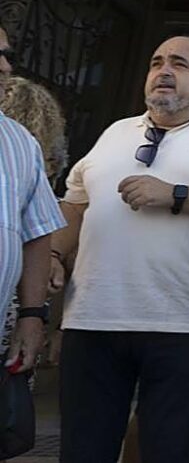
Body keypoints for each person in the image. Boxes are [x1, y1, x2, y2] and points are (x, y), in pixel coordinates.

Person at [52, 36, 189, 463]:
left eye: (179, 63)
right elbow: (75, 204)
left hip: (180, 322)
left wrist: (176, 194)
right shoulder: (117, 131)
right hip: (92, 317)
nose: (163, 70)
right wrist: (56, 255)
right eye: (156, 62)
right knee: (82, 449)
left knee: (167, 450)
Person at [0, 30, 66, 382]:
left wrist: (31, 315)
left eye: (6, 55)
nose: (5, 66)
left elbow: (37, 232)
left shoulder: (20, 143)